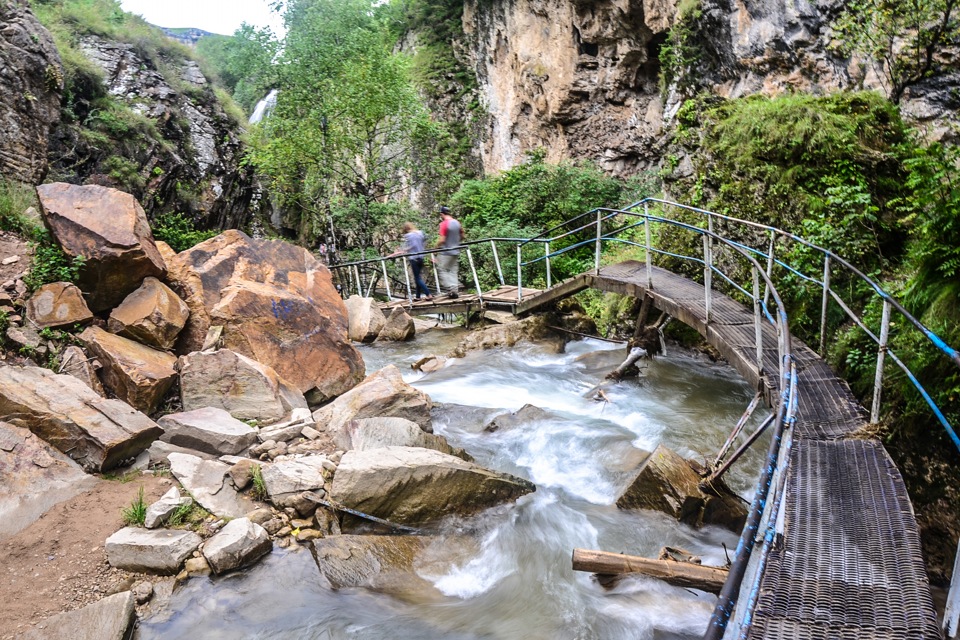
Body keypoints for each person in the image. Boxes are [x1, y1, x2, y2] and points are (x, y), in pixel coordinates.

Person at [388, 222, 433, 300]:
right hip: (421, 257)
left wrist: (404, 250)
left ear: (406, 229)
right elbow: (424, 241)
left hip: (414, 258)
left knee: (417, 278)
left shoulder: (409, 235)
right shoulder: (420, 233)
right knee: (417, 277)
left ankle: (428, 294)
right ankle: (418, 296)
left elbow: (413, 245)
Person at [434, 205, 463, 298]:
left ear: (442, 214)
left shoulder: (444, 224)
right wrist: (455, 242)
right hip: (456, 251)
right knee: (453, 271)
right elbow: (462, 235)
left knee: (441, 269)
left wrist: (435, 247)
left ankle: (450, 288)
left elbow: (442, 239)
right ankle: (455, 290)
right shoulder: (457, 223)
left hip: (446, 252)